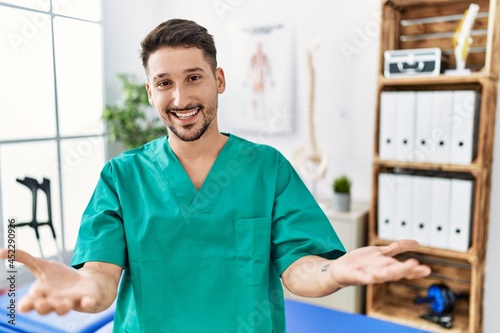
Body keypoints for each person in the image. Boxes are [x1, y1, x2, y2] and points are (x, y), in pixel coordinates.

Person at [0, 18, 431, 332]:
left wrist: (336, 273)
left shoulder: (267, 168)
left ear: (219, 80)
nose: (181, 97)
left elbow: (299, 267)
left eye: (194, 78)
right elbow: (101, 279)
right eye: (164, 83)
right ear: (150, 91)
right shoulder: (121, 177)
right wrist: (78, 286)